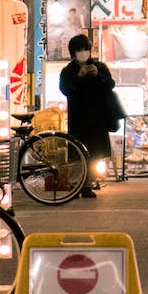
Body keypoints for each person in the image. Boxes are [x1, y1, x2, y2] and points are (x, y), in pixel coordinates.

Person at [57, 33, 119, 198]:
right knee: (78, 153)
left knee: (95, 153)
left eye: (86, 49)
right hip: (78, 118)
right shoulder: (68, 71)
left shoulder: (99, 67)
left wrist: (98, 75)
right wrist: (79, 76)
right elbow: (65, 90)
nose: (83, 53)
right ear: (73, 53)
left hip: (98, 118)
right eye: (79, 50)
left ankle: (88, 183)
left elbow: (110, 85)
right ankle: (78, 184)